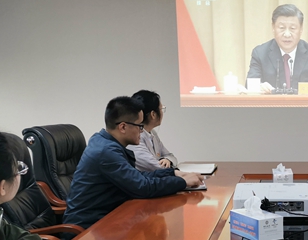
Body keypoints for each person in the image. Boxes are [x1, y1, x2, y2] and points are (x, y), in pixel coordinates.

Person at [63, 96, 203, 229]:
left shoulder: (105, 142)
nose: (141, 131)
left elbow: (137, 177)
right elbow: (142, 187)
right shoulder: (106, 152)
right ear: (123, 127)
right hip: (89, 228)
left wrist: (173, 173)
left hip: (108, 218)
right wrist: (183, 182)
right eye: (139, 126)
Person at [247, 4, 308, 95]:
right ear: (273, 27)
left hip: (304, 105)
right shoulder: (260, 53)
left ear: (301, 29)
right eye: (282, 28)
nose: (287, 34)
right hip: (272, 105)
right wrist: (259, 87)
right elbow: (249, 85)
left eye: (292, 28)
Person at [127, 90, 178, 172]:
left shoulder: (152, 132)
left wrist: (168, 160)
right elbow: (154, 168)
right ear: (153, 114)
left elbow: (171, 156)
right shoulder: (134, 136)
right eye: (161, 109)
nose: (162, 112)